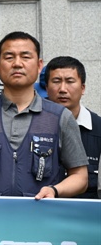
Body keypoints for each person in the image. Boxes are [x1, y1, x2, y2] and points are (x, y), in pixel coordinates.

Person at [0, 31, 88, 198]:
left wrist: (54, 190)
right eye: (9, 57)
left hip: (39, 218)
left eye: (25, 57)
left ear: (39, 65)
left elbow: (80, 177)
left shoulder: (60, 117)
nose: (17, 64)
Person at [45, 56, 101, 198]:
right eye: (56, 81)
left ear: (82, 88)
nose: (63, 89)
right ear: (46, 88)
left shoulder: (98, 127)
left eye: (70, 82)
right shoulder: (33, 124)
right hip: (41, 213)